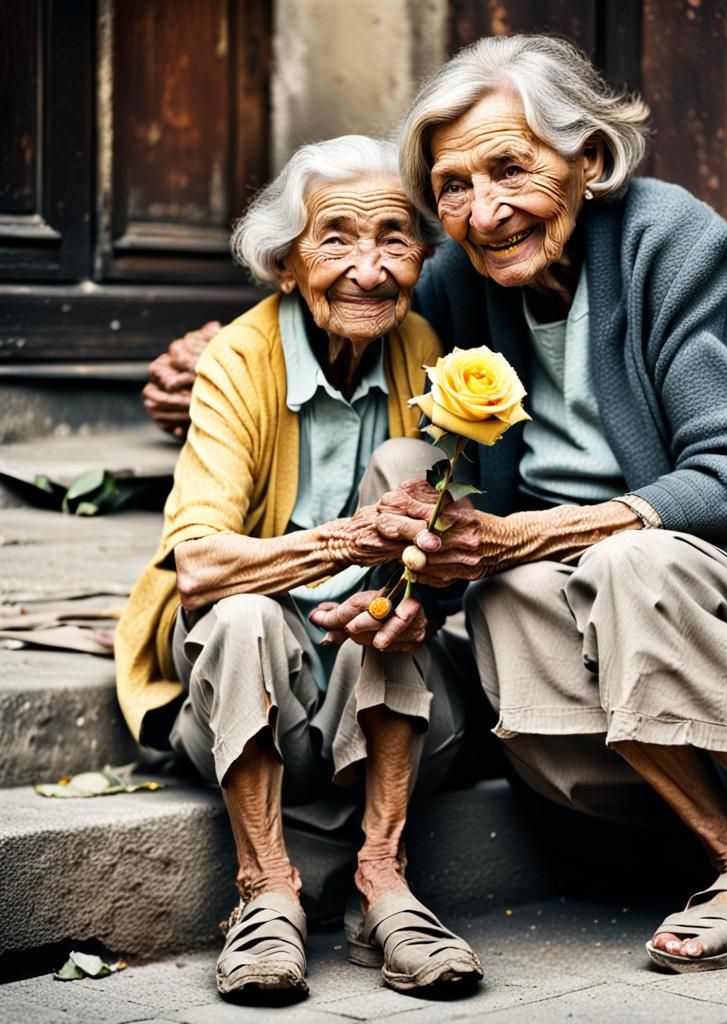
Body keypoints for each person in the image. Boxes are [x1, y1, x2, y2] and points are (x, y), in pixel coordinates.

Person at [383, 34, 727, 973]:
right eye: (453, 185)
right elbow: (342, 302)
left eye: (511, 168)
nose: (484, 210)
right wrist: (219, 358)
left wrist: (532, 534)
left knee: (624, 557)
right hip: (631, 615)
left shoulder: (670, 240)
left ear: (588, 160)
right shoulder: (461, 279)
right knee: (506, 599)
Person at [115, 135, 483, 1003]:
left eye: (395, 239)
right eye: (338, 239)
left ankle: (382, 879)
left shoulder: (424, 345)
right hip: (248, 686)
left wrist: (404, 578)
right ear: (287, 265)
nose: (370, 268)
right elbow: (199, 564)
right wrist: (346, 544)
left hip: (379, 692)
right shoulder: (241, 358)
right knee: (242, 610)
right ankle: (265, 891)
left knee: (399, 545)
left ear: (423, 258)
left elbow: (427, 538)